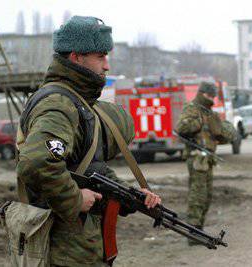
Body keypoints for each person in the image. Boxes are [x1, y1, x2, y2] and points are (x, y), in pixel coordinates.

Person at [16, 16, 161, 266]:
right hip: (63, 246)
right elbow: (37, 162)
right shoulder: (59, 104)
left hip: (77, 244)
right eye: (100, 56)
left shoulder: (77, 102)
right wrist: (74, 199)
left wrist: (132, 196)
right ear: (76, 57)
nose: (106, 65)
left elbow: (88, 169)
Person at [175, 82, 235, 246]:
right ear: (203, 93)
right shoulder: (192, 109)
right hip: (196, 158)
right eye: (210, 95)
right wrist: (201, 120)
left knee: (206, 195)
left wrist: (221, 130)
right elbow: (181, 127)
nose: (212, 99)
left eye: (213, 96)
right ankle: (193, 233)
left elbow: (221, 135)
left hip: (208, 159)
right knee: (197, 195)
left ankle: (198, 229)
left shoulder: (209, 113)